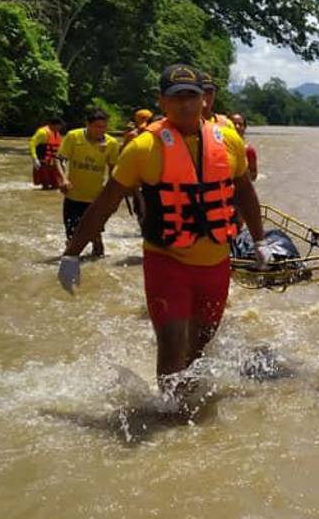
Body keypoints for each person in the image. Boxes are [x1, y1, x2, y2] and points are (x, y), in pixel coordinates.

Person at [57, 64, 272, 410]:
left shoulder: (229, 140)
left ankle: (185, 409)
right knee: (172, 345)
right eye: (176, 98)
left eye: (192, 96)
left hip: (215, 264)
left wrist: (260, 241)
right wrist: (72, 254)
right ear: (162, 102)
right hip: (167, 261)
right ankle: (170, 420)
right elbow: (106, 202)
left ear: (204, 100)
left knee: (198, 346)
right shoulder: (144, 148)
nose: (185, 105)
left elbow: (244, 192)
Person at [57, 108, 119, 258]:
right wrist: (63, 179)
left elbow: (113, 169)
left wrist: (111, 193)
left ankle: (98, 269)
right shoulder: (74, 136)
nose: (101, 130)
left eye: (104, 127)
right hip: (73, 196)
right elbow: (59, 159)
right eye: (97, 126)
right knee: (71, 238)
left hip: (96, 199)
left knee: (97, 240)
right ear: (88, 124)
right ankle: (72, 267)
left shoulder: (111, 143)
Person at [29, 117, 65, 189]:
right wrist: (34, 158)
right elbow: (32, 143)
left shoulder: (56, 133)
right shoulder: (42, 132)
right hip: (43, 162)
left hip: (54, 163)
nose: (59, 129)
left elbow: (60, 148)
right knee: (45, 186)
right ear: (52, 125)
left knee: (57, 185)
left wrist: (62, 160)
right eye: (58, 127)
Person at [230, 113, 258, 181]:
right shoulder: (220, 147)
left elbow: (254, 175)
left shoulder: (249, 150)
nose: (237, 127)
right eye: (234, 123)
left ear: (244, 127)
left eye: (240, 124)